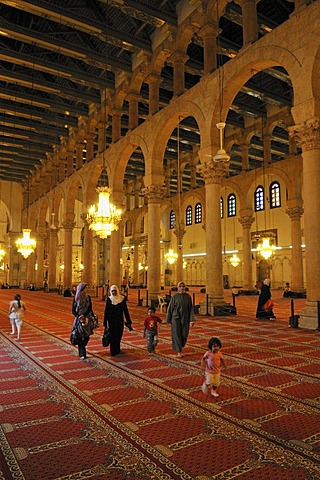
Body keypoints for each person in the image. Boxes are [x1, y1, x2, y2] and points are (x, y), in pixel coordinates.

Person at [166, 281, 195, 358]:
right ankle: (178, 351)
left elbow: (191, 309)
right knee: (176, 334)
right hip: (176, 318)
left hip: (185, 318)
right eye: (180, 286)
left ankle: (180, 346)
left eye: (183, 286)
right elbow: (170, 308)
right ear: (178, 287)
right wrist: (168, 319)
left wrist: (192, 320)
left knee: (184, 334)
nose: (182, 288)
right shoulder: (175, 297)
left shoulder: (188, 297)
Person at [104, 284, 133, 356]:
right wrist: (105, 322)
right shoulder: (109, 299)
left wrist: (128, 321)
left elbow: (125, 310)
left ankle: (117, 349)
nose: (113, 292)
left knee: (119, 335)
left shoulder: (122, 299)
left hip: (119, 320)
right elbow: (106, 311)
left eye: (115, 291)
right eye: (112, 291)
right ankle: (113, 351)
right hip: (111, 321)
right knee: (112, 336)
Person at [72, 282, 93, 360]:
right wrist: (79, 316)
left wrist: (84, 316)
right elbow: (73, 310)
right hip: (78, 320)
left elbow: (90, 308)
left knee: (86, 336)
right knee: (80, 335)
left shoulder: (88, 297)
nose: (87, 289)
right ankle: (82, 352)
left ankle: (83, 347)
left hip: (87, 319)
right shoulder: (76, 298)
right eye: (86, 288)